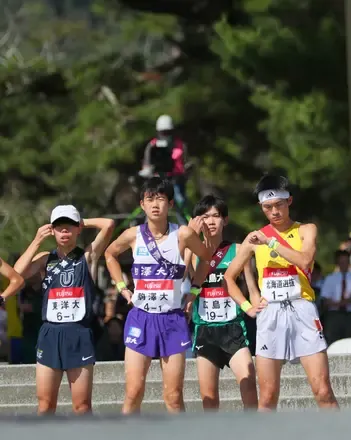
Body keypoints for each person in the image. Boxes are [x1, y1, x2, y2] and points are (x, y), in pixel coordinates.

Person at [224, 174, 339, 411]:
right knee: (267, 396)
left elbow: (306, 260)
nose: (274, 212)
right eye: (268, 207)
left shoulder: (305, 230)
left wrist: (272, 243)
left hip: (302, 308)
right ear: (261, 207)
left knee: (323, 391)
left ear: (289, 202)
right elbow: (228, 277)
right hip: (270, 313)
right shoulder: (254, 238)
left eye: (278, 205)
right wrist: (249, 304)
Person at [104, 177, 212, 414]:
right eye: (150, 199)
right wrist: (122, 287)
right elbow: (109, 254)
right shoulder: (133, 235)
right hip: (141, 318)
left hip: (172, 320)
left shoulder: (182, 234)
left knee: (173, 397)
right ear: (141, 203)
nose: (155, 204)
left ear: (170, 204)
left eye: (161, 199)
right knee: (133, 392)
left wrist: (194, 290)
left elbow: (206, 257)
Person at [13, 206, 114, 414]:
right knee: (45, 405)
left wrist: (83, 222)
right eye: (59, 227)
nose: (64, 232)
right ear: (52, 230)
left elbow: (109, 224)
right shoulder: (44, 259)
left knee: (82, 406)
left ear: (78, 229)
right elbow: (16, 273)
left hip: (78, 333)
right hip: (50, 333)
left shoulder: (88, 255)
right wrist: (36, 241)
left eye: (69, 227)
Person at [184, 195, 259, 410]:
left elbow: (251, 287)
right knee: (209, 398)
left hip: (234, 328)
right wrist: (190, 236)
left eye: (216, 216)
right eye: (205, 217)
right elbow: (178, 274)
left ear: (225, 220)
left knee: (248, 386)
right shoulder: (192, 250)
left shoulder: (237, 249)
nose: (210, 222)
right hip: (205, 330)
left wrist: (256, 307)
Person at [139, 115, 189, 221]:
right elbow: (146, 165)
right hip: (157, 182)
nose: (165, 135)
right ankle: (148, 233)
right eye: (163, 132)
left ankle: (187, 232)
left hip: (175, 181)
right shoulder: (152, 146)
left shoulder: (180, 145)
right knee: (152, 209)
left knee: (181, 207)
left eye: (168, 132)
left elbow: (184, 164)